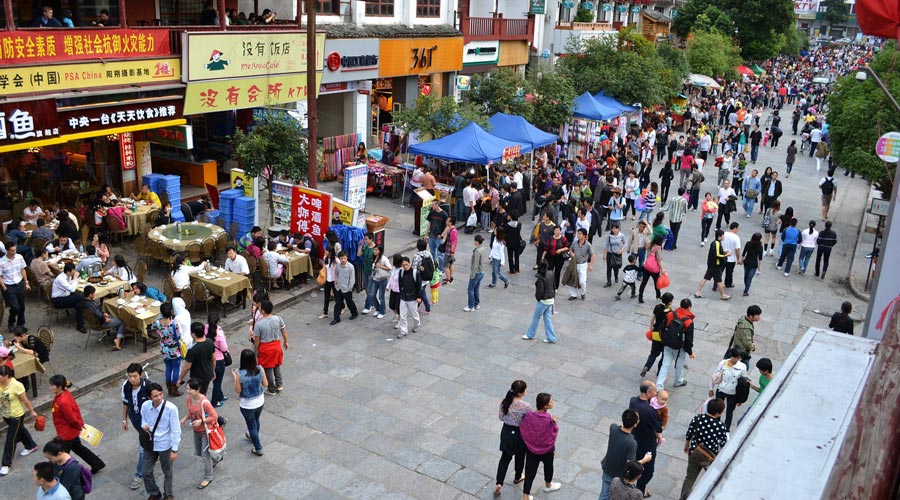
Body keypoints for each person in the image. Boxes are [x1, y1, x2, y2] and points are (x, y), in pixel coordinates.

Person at [680, 398, 729, 499]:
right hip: (710, 457)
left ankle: (683, 498)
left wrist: (686, 445)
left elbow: (689, 433)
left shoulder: (697, 418)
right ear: (718, 413)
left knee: (690, 477)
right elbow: (723, 443)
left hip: (695, 452)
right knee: (711, 478)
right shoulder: (720, 426)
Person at [599, 410, 653, 500]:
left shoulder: (613, 428)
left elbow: (619, 427)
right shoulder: (631, 443)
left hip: (607, 468)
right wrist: (644, 460)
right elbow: (630, 465)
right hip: (618, 473)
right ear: (635, 424)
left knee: (603, 495)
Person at [140, 383, 181, 500]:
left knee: (167, 471)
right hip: (150, 443)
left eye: (160, 394)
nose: (158, 398)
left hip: (165, 444)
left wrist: (174, 449)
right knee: (146, 471)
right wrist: (144, 426)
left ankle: (168, 494)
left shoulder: (171, 408)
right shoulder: (145, 406)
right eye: (155, 396)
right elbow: (143, 420)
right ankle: (154, 492)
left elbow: (176, 430)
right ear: (149, 398)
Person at [179, 378, 219, 489]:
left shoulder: (204, 402)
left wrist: (201, 421)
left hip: (206, 431)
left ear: (197, 390)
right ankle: (216, 458)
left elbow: (214, 416)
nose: (188, 391)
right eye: (187, 388)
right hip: (195, 430)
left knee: (205, 456)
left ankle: (208, 477)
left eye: (190, 389)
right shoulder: (188, 399)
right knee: (199, 452)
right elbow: (190, 412)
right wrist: (184, 419)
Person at [519, 393, 561, 499]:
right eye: (551, 401)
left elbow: (524, 428)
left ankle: (526, 495)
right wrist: (555, 423)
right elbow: (553, 433)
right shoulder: (549, 419)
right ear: (545, 406)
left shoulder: (529, 415)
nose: (553, 402)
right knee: (548, 467)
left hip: (531, 450)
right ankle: (548, 485)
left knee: (529, 471)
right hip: (547, 450)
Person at [494, 380, 532, 496]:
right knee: (520, 457)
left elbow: (501, 417)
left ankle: (499, 483)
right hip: (520, 434)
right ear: (521, 393)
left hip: (506, 432)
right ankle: (517, 477)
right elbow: (529, 421)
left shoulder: (505, 402)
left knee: (504, 459)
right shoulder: (526, 406)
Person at [0, 365, 39, 476]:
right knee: (20, 430)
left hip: (16, 415)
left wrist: (32, 411)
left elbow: (25, 400)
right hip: (6, 415)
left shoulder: (16, 385)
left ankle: (6, 464)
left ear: (6, 376)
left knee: (10, 439)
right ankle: (31, 445)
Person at [121, 363, 152, 490]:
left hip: (149, 423)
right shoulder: (126, 386)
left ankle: (139, 475)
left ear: (141, 375)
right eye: (130, 376)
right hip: (136, 420)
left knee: (142, 450)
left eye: (135, 376)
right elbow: (125, 403)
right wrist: (124, 420)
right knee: (147, 444)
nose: (132, 379)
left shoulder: (148, 386)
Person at [629, 381, 663, 496]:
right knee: (648, 472)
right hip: (647, 444)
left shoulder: (633, 401)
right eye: (654, 391)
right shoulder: (649, 410)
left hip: (634, 440)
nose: (656, 392)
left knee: (635, 465)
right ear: (648, 392)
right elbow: (659, 427)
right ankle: (639, 492)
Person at [233, 349, 267, 456]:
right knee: (256, 420)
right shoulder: (260, 369)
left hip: (247, 405)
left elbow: (238, 390)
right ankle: (254, 436)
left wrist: (235, 377)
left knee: (251, 425)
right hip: (260, 401)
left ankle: (258, 447)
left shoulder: (240, 374)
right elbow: (265, 383)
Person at [656, 298, 696, 390]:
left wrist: (663, 340)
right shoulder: (689, 321)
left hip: (667, 343)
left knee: (665, 364)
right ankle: (678, 381)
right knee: (679, 364)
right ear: (689, 307)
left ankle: (659, 385)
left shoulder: (670, 314)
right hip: (679, 347)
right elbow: (689, 339)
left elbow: (661, 328)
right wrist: (690, 352)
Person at [253, 300, 288, 394]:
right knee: (276, 365)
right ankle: (279, 384)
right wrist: (286, 342)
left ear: (263, 311)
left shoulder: (259, 324)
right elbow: (283, 331)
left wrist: (256, 349)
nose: (259, 309)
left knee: (268, 369)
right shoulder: (278, 318)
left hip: (266, 348)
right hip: (276, 346)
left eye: (260, 308)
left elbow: (257, 340)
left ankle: (271, 388)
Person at [710, 348, 748, 429]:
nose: (737, 360)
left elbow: (744, 383)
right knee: (717, 410)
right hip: (721, 390)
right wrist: (711, 388)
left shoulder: (742, 367)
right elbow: (715, 375)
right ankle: (716, 427)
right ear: (731, 356)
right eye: (735, 357)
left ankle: (726, 430)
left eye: (738, 358)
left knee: (729, 412)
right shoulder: (723, 363)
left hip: (733, 393)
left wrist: (740, 399)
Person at [80, 284, 126, 350]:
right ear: (90, 295)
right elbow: (97, 314)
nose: (94, 295)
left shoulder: (84, 302)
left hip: (94, 322)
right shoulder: (91, 304)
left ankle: (119, 332)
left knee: (114, 316)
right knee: (121, 321)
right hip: (100, 323)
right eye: (93, 293)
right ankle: (118, 341)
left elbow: (97, 312)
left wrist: (103, 313)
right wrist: (104, 319)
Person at [152, 302, 183, 396]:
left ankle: (169, 387)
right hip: (174, 350)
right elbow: (178, 335)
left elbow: (153, 327)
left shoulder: (157, 323)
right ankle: (174, 389)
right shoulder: (174, 324)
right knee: (176, 368)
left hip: (164, 349)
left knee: (168, 368)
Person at [176, 323, 215, 396]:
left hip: (197, 377)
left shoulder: (192, 349)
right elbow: (214, 359)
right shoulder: (210, 342)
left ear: (193, 334)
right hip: (208, 374)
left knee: (198, 396)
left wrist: (180, 378)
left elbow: (187, 367)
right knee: (203, 392)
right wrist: (213, 371)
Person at [522, 261, 557, 344]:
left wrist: (538, 298)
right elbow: (554, 285)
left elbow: (540, 292)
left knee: (536, 317)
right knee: (547, 319)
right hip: (551, 299)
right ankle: (551, 337)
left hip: (543, 301)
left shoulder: (541, 278)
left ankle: (530, 334)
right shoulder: (551, 273)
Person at [0, 243, 30, 331]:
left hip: (19, 283)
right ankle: (11, 321)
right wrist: (4, 287)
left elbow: (22, 269)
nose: (14, 252)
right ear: (7, 251)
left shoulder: (19, 257)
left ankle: (20, 324)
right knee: (15, 306)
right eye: (12, 250)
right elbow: (0, 276)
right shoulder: (2, 262)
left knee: (22, 306)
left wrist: (26, 282)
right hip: (9, 286)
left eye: (15, 250)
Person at [694, 230, 731, 300]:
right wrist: (726, 254)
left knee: (705, 278)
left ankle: (697, 291)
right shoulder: (717, 243)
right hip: (716, 265)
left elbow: (717, 252)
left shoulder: (715, 243)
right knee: (719, 280)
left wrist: (723, 252)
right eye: (723, 235)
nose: (724, 237)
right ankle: (723, 295)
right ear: (720, 236)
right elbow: (717, 255)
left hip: (711, 264)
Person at [50, 263, 85, 333]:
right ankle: (90, 306)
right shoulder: (60, 279)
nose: (74, 271)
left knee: (79, 305)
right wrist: (75, 278)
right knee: (80, 297)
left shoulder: (67, 276)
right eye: (73, 270)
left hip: (66, 296)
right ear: (68, 271)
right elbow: (72, 289)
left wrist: (74, 280)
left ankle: (80, 326)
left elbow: (70, 286)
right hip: (58, 300)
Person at [396, 257, 422, 338]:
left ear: (409, 263)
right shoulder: (401, 272)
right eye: (403, 265)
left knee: (414, 314)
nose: (405, 266)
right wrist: (400, 293)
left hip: (413, 297)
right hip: (403, 297)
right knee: (403, 315)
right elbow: (400, 283)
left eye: (406, 264)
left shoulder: (416, 273)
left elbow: (419, 285)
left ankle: (416, 324)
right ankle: (403, 331)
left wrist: (419, 297)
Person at [331, 251, 358, 325]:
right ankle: (336, 318)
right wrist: (336, 285)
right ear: (339, 259)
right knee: (338, 304)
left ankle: (354, 313)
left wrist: (349, 288)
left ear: (347, 258)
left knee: (349, 302)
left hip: (347, 289)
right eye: (341, 258)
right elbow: (336, 275)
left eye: (344, 258)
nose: (343, 260)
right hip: (339, 288)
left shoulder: (351, 267)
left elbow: (352, 279)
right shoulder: (338, 266)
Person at [364, 246, 390, 319]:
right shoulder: (374, 257)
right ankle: (378, 308)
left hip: (382, 280)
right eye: (374, 250)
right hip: (375, 279)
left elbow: (389, 268)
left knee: (381, 297)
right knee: (372, 295)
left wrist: (380, 266)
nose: (374, 251)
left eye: (376, 250)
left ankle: (382, 311)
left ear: (380, 251)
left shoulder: (384, 259)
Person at [638, 235, 665, 304]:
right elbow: (659, 260)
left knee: (644, 282)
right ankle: (658, 295)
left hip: (647, 267)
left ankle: (640, 296)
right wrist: (662, 269)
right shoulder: (658, 248)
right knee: (656, 283)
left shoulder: (649, 244)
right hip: (654, 269)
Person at [464, 235, 488, 312]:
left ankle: (471, 306)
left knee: (470, 289)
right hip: (481, 272)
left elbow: (475, 265)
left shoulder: (477, 252)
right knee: (476, 289)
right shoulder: (482, 249)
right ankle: (476, 303)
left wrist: (472, 275)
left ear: (477, 242)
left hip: (476, 273)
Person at [427, 199, 449, 272]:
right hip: (431, 236)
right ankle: (433, 267)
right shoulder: (432, 212)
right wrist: (426, 233)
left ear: (437, 205)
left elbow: (447, 226)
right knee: (432, 253)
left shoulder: (444, 214)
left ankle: (441, 269)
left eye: (433, 205)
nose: (432, 206)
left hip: (439, 237)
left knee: (440, 254)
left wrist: (442, 235)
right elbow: (429, 223)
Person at [721, 222, 742, 288]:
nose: (738, 230)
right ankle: (728, 283)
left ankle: (716, 284)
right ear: (735, 228)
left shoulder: (723, 234)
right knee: (729, 272)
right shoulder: (736, 237)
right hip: (731, 258)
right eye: (738, 228)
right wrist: (738, 258)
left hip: (722, 256)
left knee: (719, 271)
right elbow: (737, 249)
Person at [318, 248, 337, 320]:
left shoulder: (336, 260)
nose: (325, 252)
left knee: (337, 296)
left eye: (327, 251)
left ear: (331, 252)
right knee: (326, 297)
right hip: (327, 280)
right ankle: (325, 312)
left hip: (334, 281)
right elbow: (324, 267)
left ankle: (342, 307)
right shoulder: (325, 258)